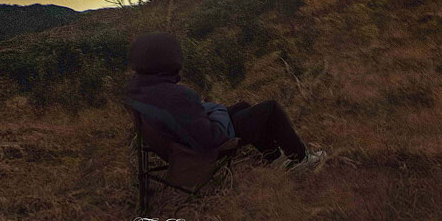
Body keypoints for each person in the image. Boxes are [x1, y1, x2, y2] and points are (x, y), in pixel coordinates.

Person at [125, 30, 327, 171]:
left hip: (178, 145)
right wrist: (217, 110)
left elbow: (183, 117)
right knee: (270, 109)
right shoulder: (176, 95)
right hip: (200, 152)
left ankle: (273, 158)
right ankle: (301, 160)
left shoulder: (139, 88)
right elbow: (211, 138)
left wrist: (206, 110)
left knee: (244, 107)